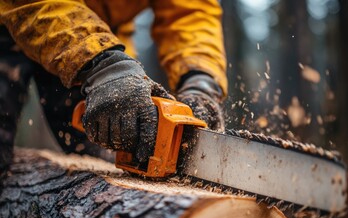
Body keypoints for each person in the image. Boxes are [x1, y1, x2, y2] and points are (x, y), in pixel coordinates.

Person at [0, 0, 228, 170]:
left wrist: (199, 80)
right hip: (15, 18)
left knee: (109, 149)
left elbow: (190, 13)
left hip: (99, 35)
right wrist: (101, 63)